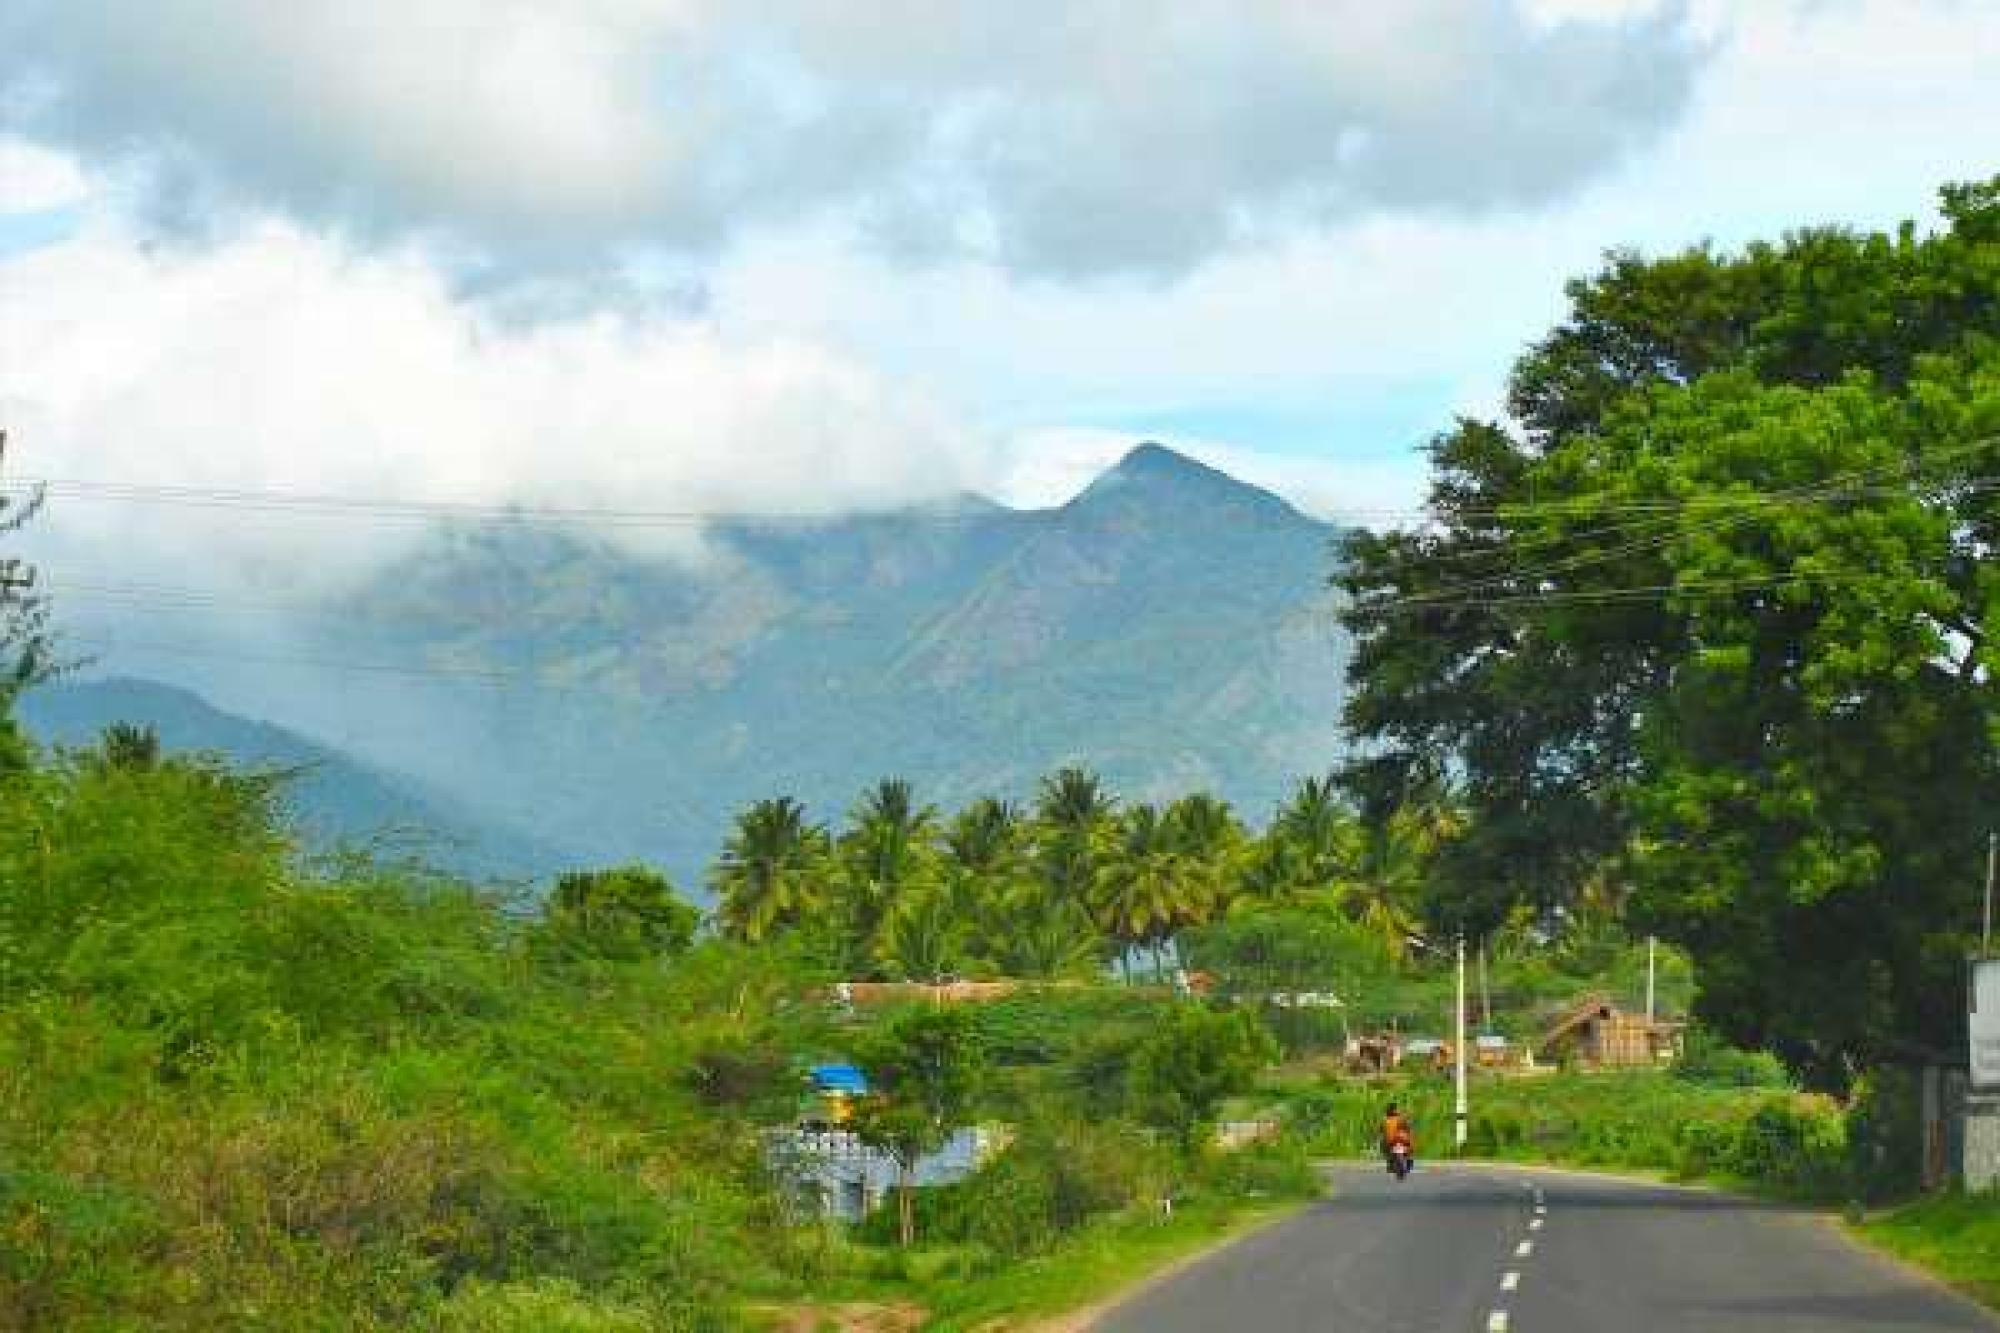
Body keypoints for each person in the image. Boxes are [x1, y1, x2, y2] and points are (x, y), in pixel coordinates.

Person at [1381, 1102, 1415, 1172]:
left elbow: (1408, 1128)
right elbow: (1408, 1127)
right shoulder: (1396, 1119)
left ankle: (1405, 1159)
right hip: (1394, 1141)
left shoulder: (1386, 1120)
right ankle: (1393, 1161)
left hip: (1396, 1141)